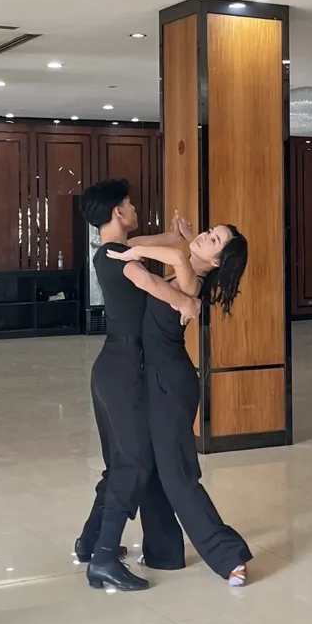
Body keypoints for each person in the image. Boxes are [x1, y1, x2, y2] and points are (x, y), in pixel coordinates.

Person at [106, 221, 253, 584]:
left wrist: (140, 254)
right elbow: (131, 241)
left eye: (214, 239)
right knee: (154, 469)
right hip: (154, 381)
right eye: (209, 230)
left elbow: (161, 259)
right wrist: (176, 238)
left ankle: (227, 554)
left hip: (172, 384)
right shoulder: (179, 276)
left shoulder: (190, 282)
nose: (205, 236)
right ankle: (163, 552)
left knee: (177, 474)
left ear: (218, 261)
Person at [74, 182, 199, 592]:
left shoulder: (108, 248)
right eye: (127, 203)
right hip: (126, 369)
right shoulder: (121, 259)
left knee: (121, 461)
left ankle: (91, 541)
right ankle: (105, 559)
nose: (134, 207)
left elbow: (143, 242)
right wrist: (185, 303)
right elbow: (151, 283)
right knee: (135, 464)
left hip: (110, 367)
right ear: (115, 212)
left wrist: (176, 236)